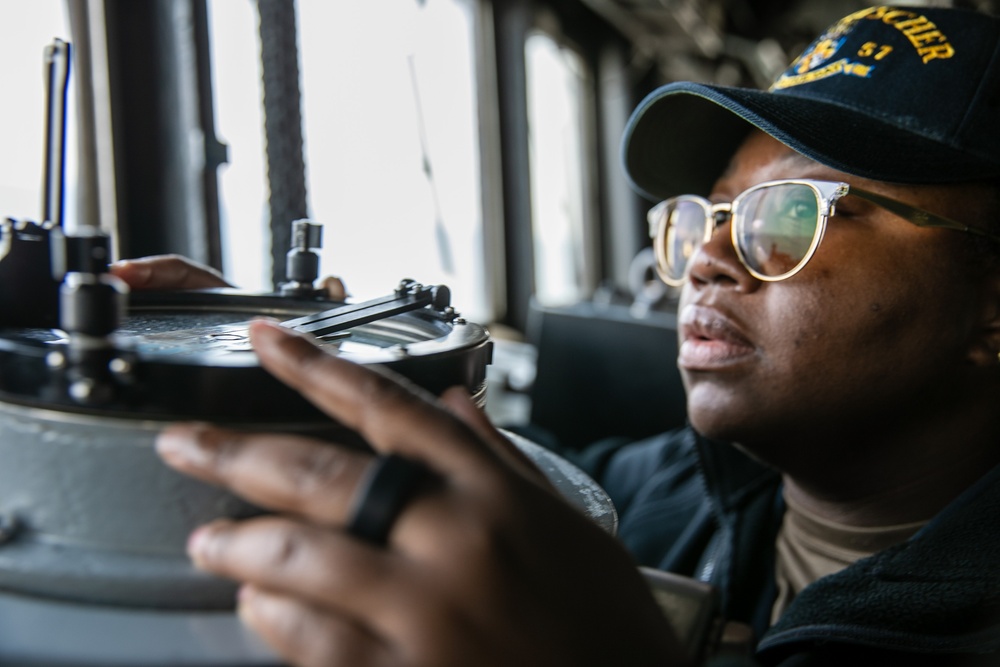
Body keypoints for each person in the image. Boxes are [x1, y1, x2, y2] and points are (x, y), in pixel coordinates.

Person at [116, 4, 1000, 666]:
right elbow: (508, 470)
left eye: (789, 213)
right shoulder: (680, 489)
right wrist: (271, 348)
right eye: (703, 216)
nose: (705, 260)